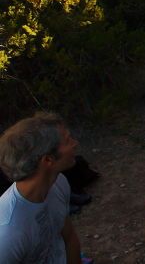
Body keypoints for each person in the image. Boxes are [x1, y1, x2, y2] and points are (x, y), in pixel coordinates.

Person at [0, 113, 81, 264]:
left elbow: (69, 238)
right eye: (68, 140)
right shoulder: (7, 232)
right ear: (48, 160)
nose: (75, 143)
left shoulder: (58, 183)